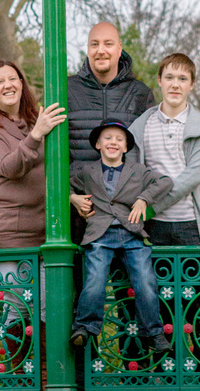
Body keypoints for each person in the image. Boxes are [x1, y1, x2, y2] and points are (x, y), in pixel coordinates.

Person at [0, 59, 66, 381]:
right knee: (18, 305)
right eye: (0, 82)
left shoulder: (33, 121)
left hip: (43, 232)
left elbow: (48, 172)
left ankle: (45, 375)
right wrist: (38, 134)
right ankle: (22, 374)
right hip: (9, 235)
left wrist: (68, 196)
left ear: (22, 84)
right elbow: (10, 167)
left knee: (44, 305)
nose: (8, 85)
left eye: (13, 78)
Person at [129, 52, 200, 370]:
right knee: (161, 305)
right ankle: (168, 373)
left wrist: (149, 206)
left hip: (190, 225)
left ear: (191, 85)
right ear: (160, 81)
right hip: (153, 230)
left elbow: (190, 180)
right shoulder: (141, 126)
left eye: (182, 79)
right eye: (170, 77)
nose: (175, 84)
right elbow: (135, 173)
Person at [69, 120, 173, 353]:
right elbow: (61, 185)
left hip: (131, 233)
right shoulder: (87, 172)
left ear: (126, 147)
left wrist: (143, 198)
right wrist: (72, 199)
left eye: (119, 139)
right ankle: (85, 328)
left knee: (145, 280)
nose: (113, 142)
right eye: (107, 138)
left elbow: (165, 182)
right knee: (95, 279)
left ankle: (154, 333)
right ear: (98, 144)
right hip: (100, 234)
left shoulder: (137, 170)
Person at [68, 21, 155, 230]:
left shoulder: (140, 94)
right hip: (80, 212)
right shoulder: (67, 90)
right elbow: (50, 155)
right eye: (94, 44)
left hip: (127, 214)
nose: (101, 51)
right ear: (87, 49)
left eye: (108, 44)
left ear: (119, 48)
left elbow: (150, 154)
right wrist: (70, 196)